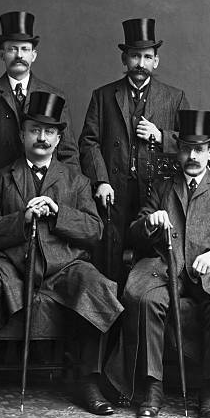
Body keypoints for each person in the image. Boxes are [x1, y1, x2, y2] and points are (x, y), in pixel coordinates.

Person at [0, 92, 123, 417]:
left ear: (58, 139)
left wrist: (58, 214)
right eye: (34, 130)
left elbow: (94, 230)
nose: (41, 138)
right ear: (22, 134)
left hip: (63, 268)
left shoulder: (76, 181)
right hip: (11, 267)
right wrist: (21, 219)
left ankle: (89, 380)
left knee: (97, 285)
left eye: (49, 131)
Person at [105, 110, 210, 418]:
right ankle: (152, 387)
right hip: (166, 269)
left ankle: (209, 390)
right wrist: (150, 222)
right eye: (186, 148)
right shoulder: (162, 189)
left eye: (199, 150)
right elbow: (133, 231)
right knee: (146, 298)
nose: (192, 156)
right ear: (178, 151)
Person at [0, 11, 79, 275]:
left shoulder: (55, 97)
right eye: (12, 49)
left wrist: (60, 199)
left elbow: (68, 153)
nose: (19, 55)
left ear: (34, 54)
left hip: (46, 200)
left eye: (25, 48)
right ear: (2, 53)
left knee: (50, 275)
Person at [79, 18, 189, 287]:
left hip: (155, 194)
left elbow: (192, 145)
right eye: (135, 56)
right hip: (114, 192)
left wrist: (161, 136)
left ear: (156, 61)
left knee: (150, 258)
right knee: (111, 259)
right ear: (124, 58)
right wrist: (100, 180)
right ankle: (110, 322)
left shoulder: (174, 97)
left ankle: (144, 311)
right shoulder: (103, 96)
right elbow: (88, 142)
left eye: (147, 57)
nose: (141, 63)